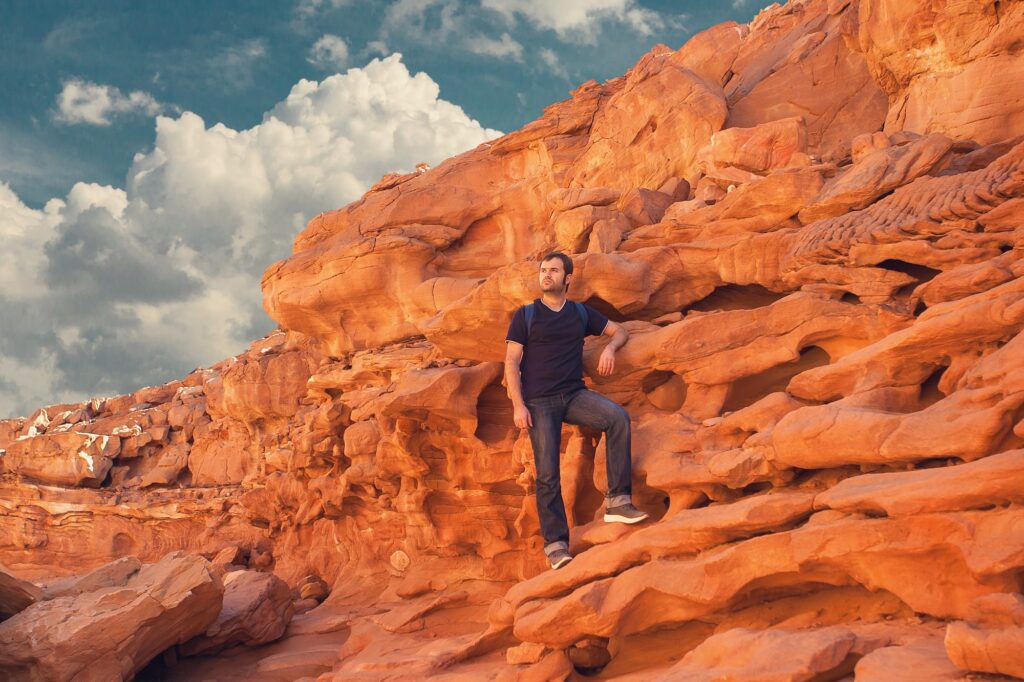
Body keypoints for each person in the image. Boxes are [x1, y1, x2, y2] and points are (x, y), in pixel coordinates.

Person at [504, 252, 648, 570]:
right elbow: (511, 362)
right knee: (547, 475)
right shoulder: (526, 316)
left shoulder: (581, 313)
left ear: (568, 278)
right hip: (539, 402)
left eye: (554, 270)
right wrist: (518, 405)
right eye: (543, 270)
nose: (547, 275)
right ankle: (556, 545)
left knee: (617, 418)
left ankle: (617, 500)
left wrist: (610, 348)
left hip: (574, 396)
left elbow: (619, 332)